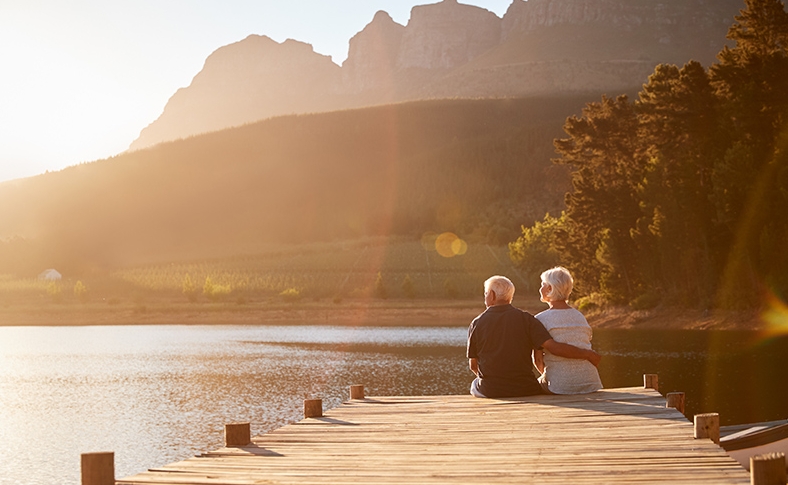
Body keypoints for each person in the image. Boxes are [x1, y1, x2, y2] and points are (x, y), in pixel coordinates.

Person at [467, 275, 601, 398]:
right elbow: (549, 349)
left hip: (491, 390)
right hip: (526, 388)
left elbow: (473, 365)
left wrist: (494, 382)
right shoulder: (528, 319)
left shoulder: (477, 323)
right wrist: (587, 354)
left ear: (491, 295)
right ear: (510, 297)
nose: (485, 297)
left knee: (474, 385)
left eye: (485, 293)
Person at [533, 266, 603, 394]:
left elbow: (538, 360)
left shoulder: (540, 319)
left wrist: (557, 378)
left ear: (549, 289)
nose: (540, 288)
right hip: (590, 382)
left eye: (542, 284)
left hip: (559, 386)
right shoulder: (580, 316)